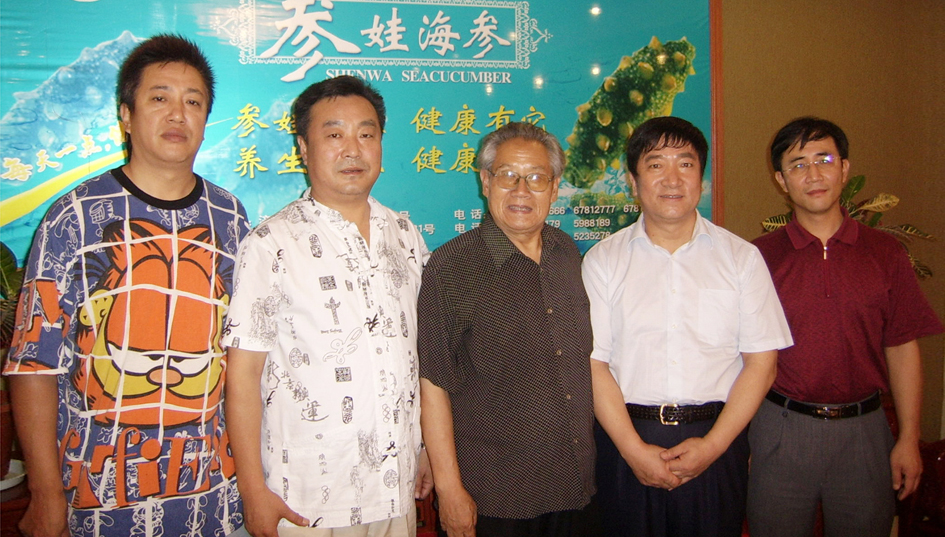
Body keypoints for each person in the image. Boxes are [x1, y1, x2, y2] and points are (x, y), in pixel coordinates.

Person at [3, 34, 251, 537]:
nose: (177, 114)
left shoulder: (231, 217)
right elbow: (33, 364)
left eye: (193, 102)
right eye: (159, 97)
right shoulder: (74, 217)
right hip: (97, 498)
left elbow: (244, 358)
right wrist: (46, 493)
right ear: (126, 115)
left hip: (212, 499)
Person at [223, 75, 431, 537]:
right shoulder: (270, 244)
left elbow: (418, 356)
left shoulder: (405, 236)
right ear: (303, 147)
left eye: (366, 134)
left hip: (396, 487)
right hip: (306, 501)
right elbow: (242, 376)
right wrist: (252, 489)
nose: (353, 149)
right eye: (334, 134)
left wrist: (424, 449)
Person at [582, 116, 793, 537]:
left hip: (716, 438)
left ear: (702, 177)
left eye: (686, 163)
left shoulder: (741, 259)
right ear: (633, 180)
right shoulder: (602, 261)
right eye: (656, 164)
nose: (672, 178)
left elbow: (762, 364)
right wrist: (633, 451)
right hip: (627, 440)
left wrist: (713, 447)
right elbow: (593, 365)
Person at [747, 117, 944, 537]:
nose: (813, 174)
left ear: (844, 169)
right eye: (798, 164)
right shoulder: (757, 257)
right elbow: (742, 356)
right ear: (781, 180)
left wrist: (909, 438)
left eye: (824, 159)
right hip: (781, 427)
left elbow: (902, 347)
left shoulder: (886, 252)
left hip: (864, 431)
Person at [418, 122, 599, 537]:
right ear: (486, 182)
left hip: (575, 484)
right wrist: (449, 490)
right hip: (494, 496)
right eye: (507, 175)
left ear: (555, 188)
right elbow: (433, 385)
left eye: (536, 178)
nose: (521, 190)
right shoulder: (451, 267)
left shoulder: (566, 253)